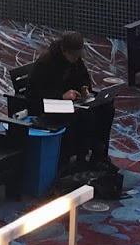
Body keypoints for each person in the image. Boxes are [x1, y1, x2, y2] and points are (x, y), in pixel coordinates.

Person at [25, 32, 114, 166]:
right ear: (64, 51)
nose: (75, 59)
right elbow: (34, 93)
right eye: (73, 56)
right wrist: (61, 96)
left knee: (107, 110)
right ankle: (81, 157)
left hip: (72, 101)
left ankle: (98, 153)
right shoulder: (46, 63)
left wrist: (84, 87)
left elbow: (84, 77)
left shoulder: (76, 60)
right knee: (86, 116)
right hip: (49, 104)